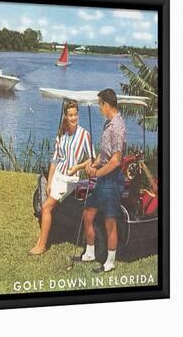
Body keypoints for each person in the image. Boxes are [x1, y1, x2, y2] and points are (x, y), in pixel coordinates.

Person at [28, 100, 94, 255]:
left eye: (75, 115)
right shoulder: (61, 134)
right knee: (49, 207)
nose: (73, 118)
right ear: (65, 116)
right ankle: (41, 241)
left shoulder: (84, 134)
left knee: (46, 207)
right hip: (58, 175)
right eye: (70, 115)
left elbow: (92, 158)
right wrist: (50, 181)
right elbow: (54, 160)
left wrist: (78, 167)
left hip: (70, 179)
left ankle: (42, 245)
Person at [80, 89, 127, 273]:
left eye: (100, 104)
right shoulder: (108, 124)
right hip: (103, 178)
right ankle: (90, 253)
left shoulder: (118, 127)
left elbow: (116, 160)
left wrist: (97, 173)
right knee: (88, 214)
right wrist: (94, 164)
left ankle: (110, 262)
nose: (99, 108)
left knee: (110, 222)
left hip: (112, 180)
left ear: (106, 104)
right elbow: (104, 155)